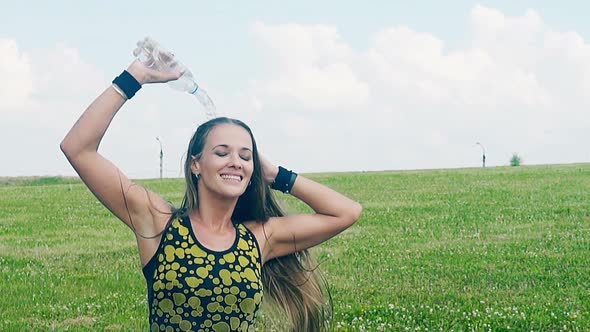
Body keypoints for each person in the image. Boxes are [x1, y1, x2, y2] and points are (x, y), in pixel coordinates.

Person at [60, 59, 363, 332]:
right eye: (222, 152)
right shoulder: (160, 223)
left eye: (246, 156)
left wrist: (276, 175)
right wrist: (135, 76)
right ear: (196, 165)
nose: (235, 161)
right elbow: (78, 148)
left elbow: (346, 212)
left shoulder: (260, 238)